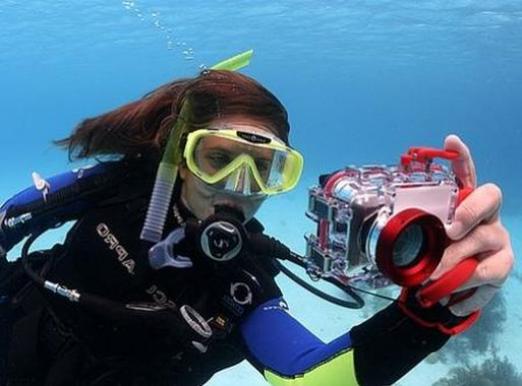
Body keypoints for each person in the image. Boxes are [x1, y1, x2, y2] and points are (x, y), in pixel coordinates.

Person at [0, 68, 515, 386]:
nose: (235, 186)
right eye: (217, 158)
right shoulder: (120, 186)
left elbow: (310, 381)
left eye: (263, 170)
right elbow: (6, 223)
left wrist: (428, 317)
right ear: (180, 158)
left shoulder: (243, 285)